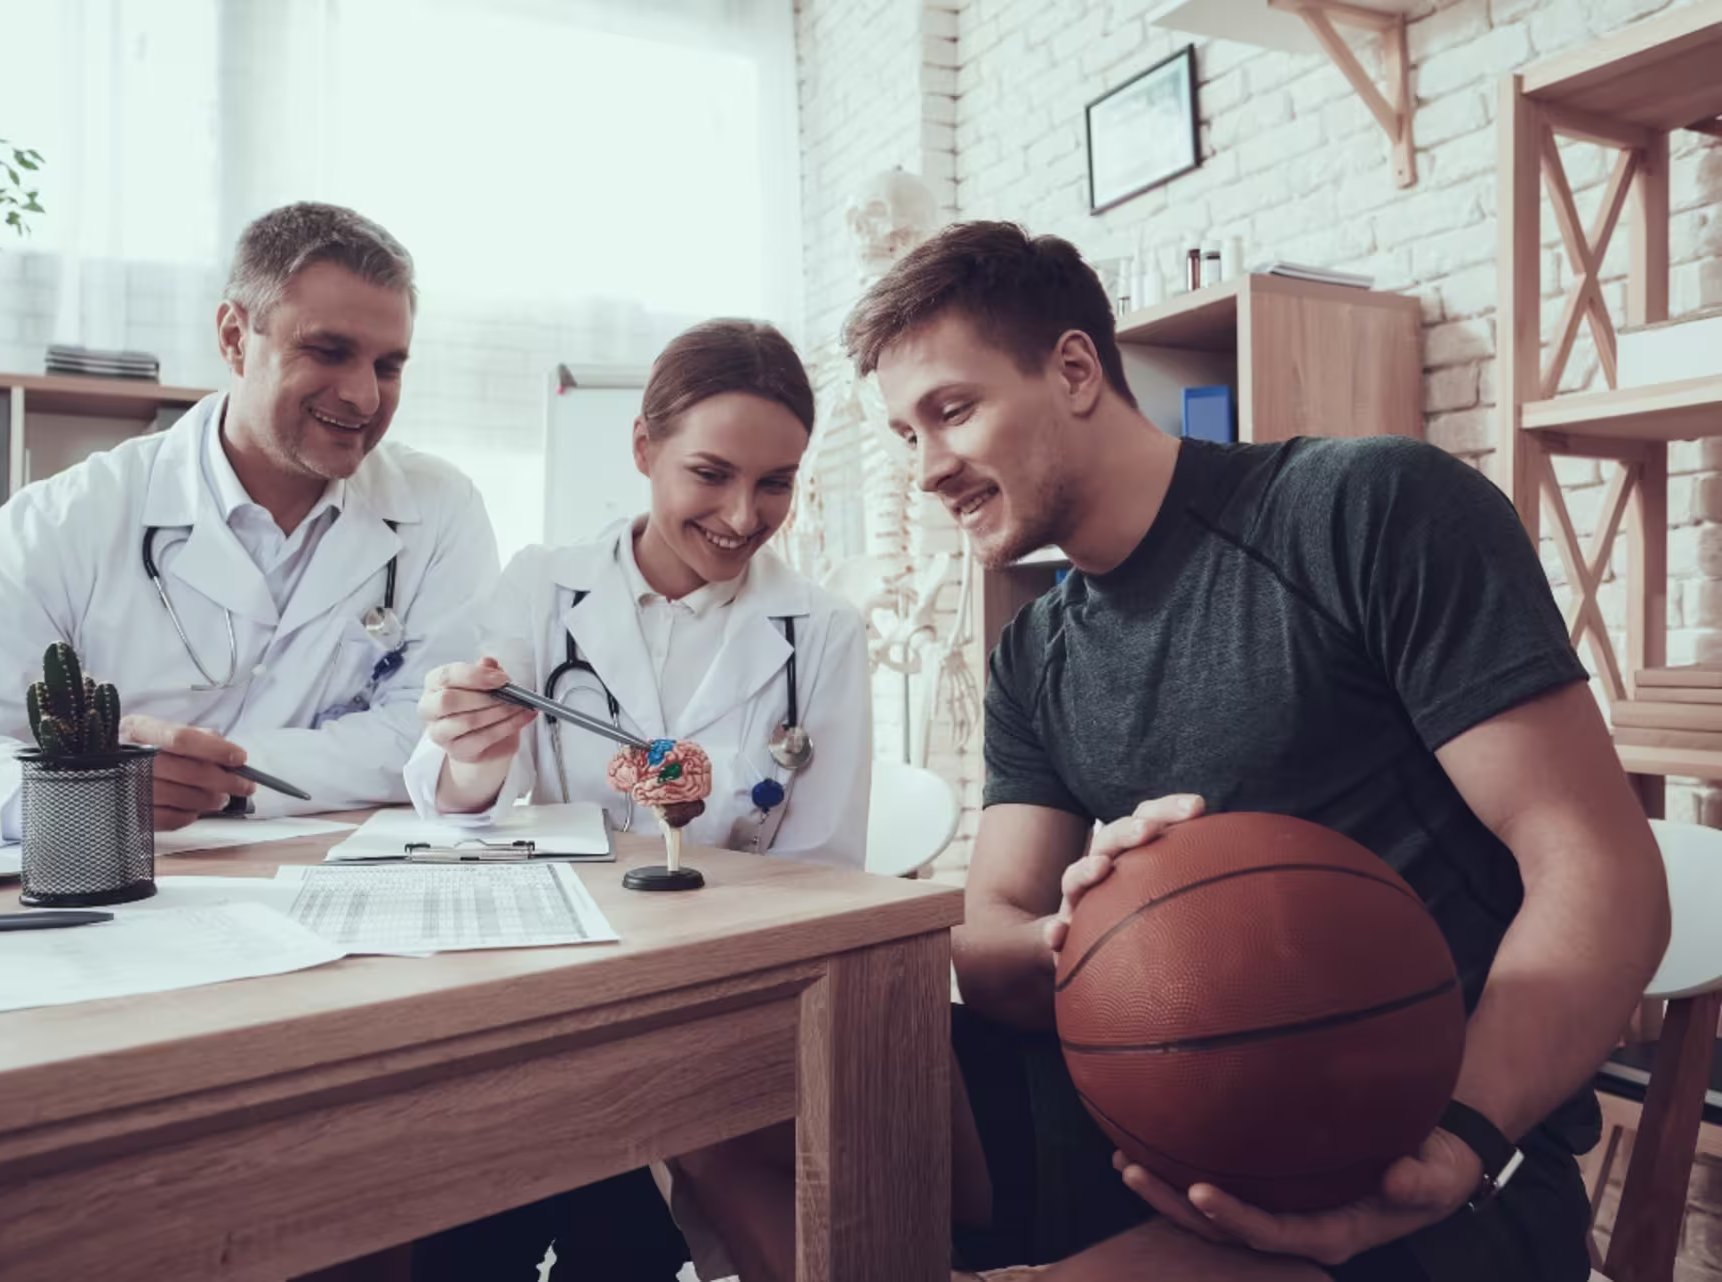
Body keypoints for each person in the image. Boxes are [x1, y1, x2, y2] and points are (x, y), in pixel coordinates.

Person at [680, 219, 1671, 1282]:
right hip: (1150, 1116)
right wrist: (1096, 920)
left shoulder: (1365, 511)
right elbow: (990, 941)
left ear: (1073, 369)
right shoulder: (1036, 654)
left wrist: (1462, 1140)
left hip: (1400, 1153)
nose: (927, 467)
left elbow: (1598, 874)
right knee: (715, 1085)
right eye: (905, 434)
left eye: (952, 411)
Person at [404, 317, 872, 1280]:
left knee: (622, 1242)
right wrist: (472, 748)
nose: (744, 515)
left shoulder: (821, 631)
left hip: (715, 1010)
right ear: (644, 449)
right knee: (469, 1225)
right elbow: (464, 806)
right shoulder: (542, 586)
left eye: (775, 482)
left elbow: (823, 869)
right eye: (710, 473)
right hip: (551, 996)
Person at [0, 202, 499, 840]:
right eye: (328, 351)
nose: (364, 395)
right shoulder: (68, 517)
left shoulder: (439, 509)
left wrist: (226, 778)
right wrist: (85, 791)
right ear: (235, 338)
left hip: (329, 880)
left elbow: (439, 742)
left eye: (388, 366)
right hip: (111, 897)